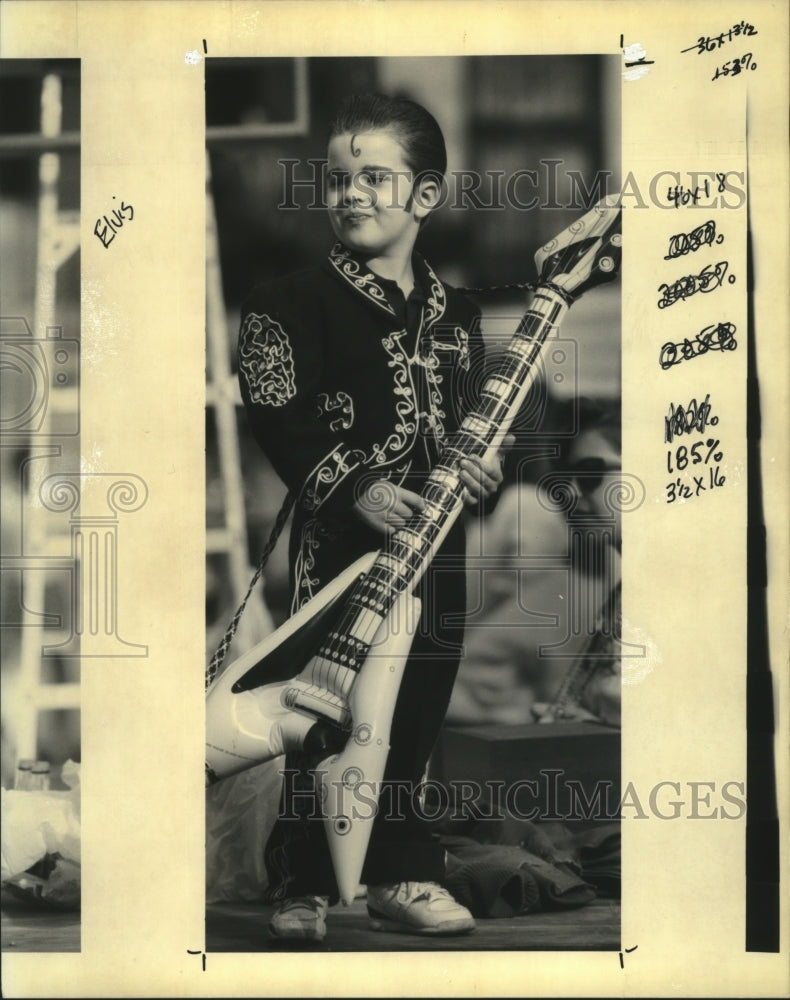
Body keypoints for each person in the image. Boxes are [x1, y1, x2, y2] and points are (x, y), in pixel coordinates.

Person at [236, 93, 511, 942]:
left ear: (424, 197)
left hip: (439, 549)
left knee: (418, 707)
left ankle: (402, 871)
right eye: (338, 179)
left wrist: (488, 469)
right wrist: (357, 488)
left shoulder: (461, 318)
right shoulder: (288, 300)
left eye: (375, 178)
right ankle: (305, 877)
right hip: (340, 551)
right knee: (326, 706)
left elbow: (476, 426)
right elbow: (282, 414)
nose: (351, 194)